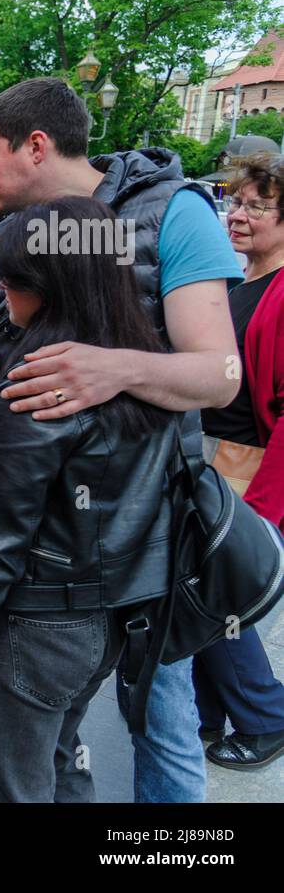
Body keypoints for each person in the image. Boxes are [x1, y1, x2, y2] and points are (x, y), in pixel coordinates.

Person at [0, 76, 242, 803]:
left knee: (160, 721)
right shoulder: (30, 238)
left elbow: (223, 374)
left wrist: (112, 367)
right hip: (61, 559)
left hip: (142, 543)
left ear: (36, 146)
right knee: (65, 742)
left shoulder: (174, 211)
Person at [0, 197, 184, 803]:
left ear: (51, 283)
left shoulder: (42, 382)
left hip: (35, 625)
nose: (1, 290)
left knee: (18, 784)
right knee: (63, 759)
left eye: (9, 278)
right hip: (106, 616)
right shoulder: (136, 361)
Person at [193, 153, 284, 771]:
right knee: (197, 590)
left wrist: (262, 508)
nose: (238, 215)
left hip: (247, 465)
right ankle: (208, 711)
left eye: (256, 205)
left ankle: (265, 714)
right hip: (212, 456)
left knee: (214, 598)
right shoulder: (236, 281)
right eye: (234, 201)